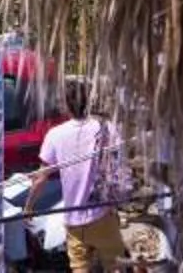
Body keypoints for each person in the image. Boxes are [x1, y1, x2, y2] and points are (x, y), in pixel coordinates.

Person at [29, 84, 129, 272]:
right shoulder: (106, 127)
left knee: (80, 268)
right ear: (90, 101)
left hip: (74, 222)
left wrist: (29, 207)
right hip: (102, 218)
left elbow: (41, 178)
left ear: (66, 106)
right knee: (116, 267)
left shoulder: (55, 135)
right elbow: (120, 168)